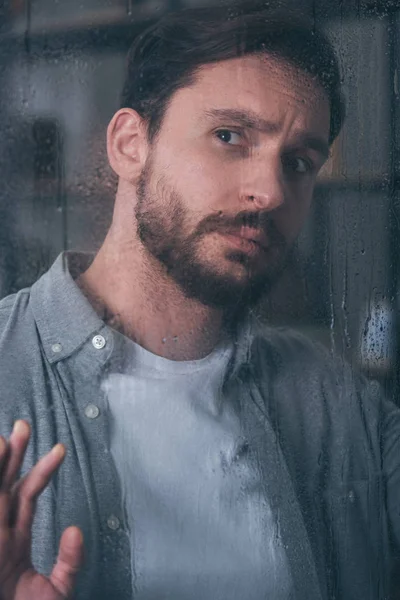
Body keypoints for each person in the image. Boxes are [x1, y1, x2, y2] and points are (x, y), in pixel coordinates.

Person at [0, 4, 398, 600]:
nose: (268, 192)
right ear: (131, 144)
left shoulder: (335, 400)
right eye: (229, 136)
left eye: (298, 163)